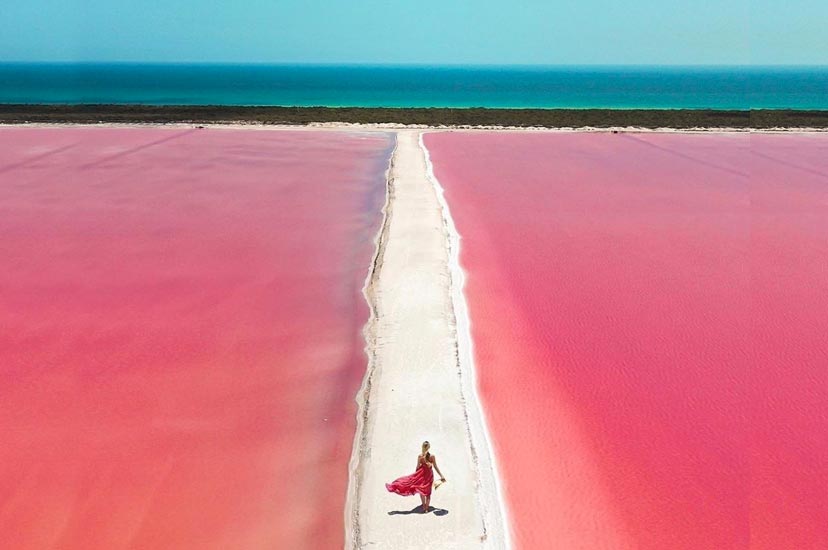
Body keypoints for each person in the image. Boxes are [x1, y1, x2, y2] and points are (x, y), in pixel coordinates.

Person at [385, 441, 446, 512]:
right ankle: (426, 508)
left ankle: (424, 506)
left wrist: (414, 477)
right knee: (428, 492)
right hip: (429, 476)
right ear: (429, 447)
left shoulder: (420, 456)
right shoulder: (432, 456)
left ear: (422, 447)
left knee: (421, 490)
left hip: (421, 475)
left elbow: (417, 467)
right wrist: (441, 475)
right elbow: (435, 467)